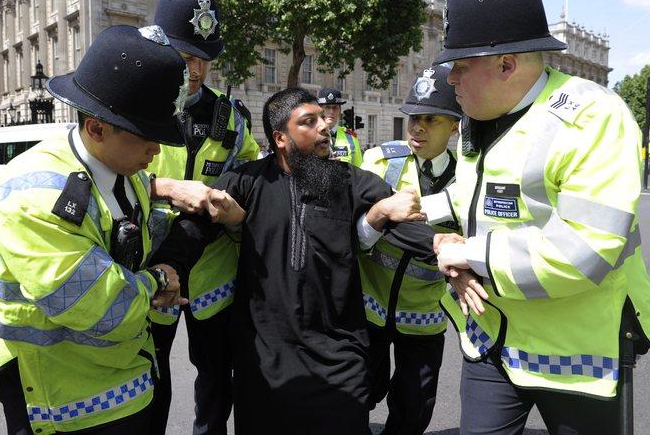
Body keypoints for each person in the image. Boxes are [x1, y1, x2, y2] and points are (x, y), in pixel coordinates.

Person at [419, 0, 650, 435]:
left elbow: (585, 251)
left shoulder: (594, 119)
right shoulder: (485, 112)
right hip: (491, 337)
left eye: (459, 66)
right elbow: (479, 194)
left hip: (575, 355)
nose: (449, 80)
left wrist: (467, 253)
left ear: (506, 65)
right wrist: (434, 227)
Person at [152, 87, 440, 435]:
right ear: (280, 138)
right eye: (309, 121)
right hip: (264, 358)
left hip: (338, 355)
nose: (325, 127)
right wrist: (171, 265)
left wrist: (441, 245)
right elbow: (197, 225)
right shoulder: (247, 181)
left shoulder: (351, 181)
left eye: (323, 118)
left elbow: (398, 221)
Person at [0, 25, 195, 435]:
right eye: (147, 136)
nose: (157, 150)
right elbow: (101, 306)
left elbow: (133, 238)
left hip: (122, 377)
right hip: (62, 400)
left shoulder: (128, 171)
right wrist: (159, 279)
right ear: (97, 129)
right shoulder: (34, 196)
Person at [146, 0, 260, 435]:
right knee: (150, 378)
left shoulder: (229, 117)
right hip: (150, 268)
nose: (194, 69)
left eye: (203, 59)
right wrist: (168, 187)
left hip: (214, 270)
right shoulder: (138, 105)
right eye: (184, 55)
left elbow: (250, 171)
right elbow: (111, 174)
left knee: (215, 377)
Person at [359, 64, 461, 435]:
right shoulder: (379, 162)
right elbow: (364, 228)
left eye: (431, 119)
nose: (417, 127)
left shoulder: (469, 177)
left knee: (414, 408)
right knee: (360, 392)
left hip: (424, 313)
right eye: (413, 117)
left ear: (454, 126)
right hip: (368, 305)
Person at [317, 87, 362, 165]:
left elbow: (359, 169)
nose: (331, 112)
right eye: (327, 107)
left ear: (339, 110)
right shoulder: (311, 136)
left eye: (335, 108)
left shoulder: (351, 137)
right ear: (320, 110)